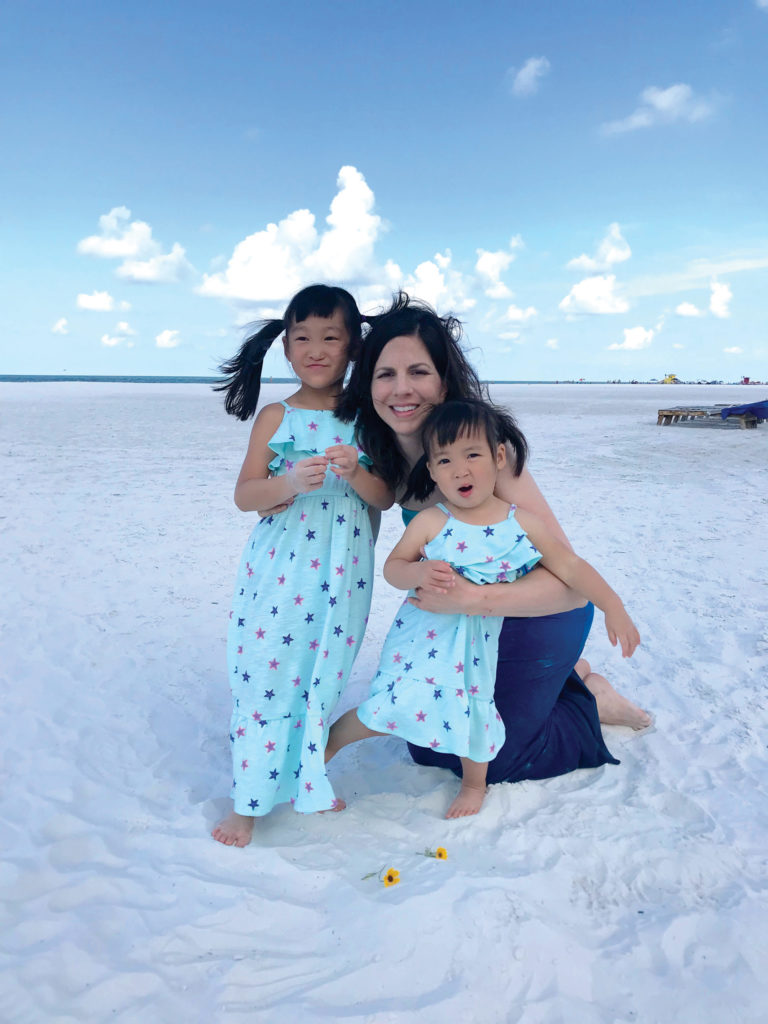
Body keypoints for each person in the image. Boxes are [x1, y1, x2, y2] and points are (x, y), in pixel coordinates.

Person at [335, 292, 650, 792]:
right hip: (464, 627)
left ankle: (586, 696)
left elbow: (569, 584)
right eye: (385, 374)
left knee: (497, 762)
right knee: (426, 742)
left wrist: (476, 599)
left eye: (418, 372)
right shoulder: (383, 451)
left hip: (536, 616)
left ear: (443, 380)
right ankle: (564, 679)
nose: (401, 389)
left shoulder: (483, 450)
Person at [211, 285, 393, 847]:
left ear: (353, 347)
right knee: (267, 671)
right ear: (286, 349)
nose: (316, 349)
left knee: (322, 675)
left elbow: (384, 497)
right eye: (302, 339)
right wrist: (285, 484)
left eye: (330, 337)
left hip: (344, 574)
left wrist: (356, 472)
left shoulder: (368, 416)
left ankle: (307, 775)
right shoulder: (276, 415)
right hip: (281, 565)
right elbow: (244, 494)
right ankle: (247, 802)